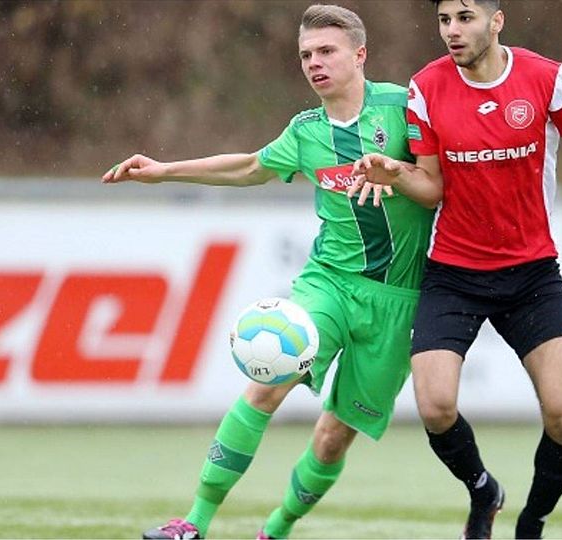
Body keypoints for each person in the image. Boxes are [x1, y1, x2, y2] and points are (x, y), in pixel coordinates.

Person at [102, 5, 434, 539]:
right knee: (266, 380)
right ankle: (194, 522)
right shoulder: (306, 131)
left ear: (359, 55)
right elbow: (253, 166)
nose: (314, 63)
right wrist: (165, 171)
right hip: (328, 282)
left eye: (326, 51)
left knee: (332, 439)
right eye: (306, 55)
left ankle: (276, 530)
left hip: (400, 299)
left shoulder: (405, 107)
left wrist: (399, 172)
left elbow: (441, 176)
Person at [348, 0, 562, 538]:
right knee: (434, 406)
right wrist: (395, 173)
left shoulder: (546, 78)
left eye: (465, 17)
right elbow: (431, 188)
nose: (452, 31)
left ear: (496, 21)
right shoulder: (426, 88)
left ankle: (534, 520)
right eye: (443, 20)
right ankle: (483, 489)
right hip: (454, 272)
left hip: (531, 275)